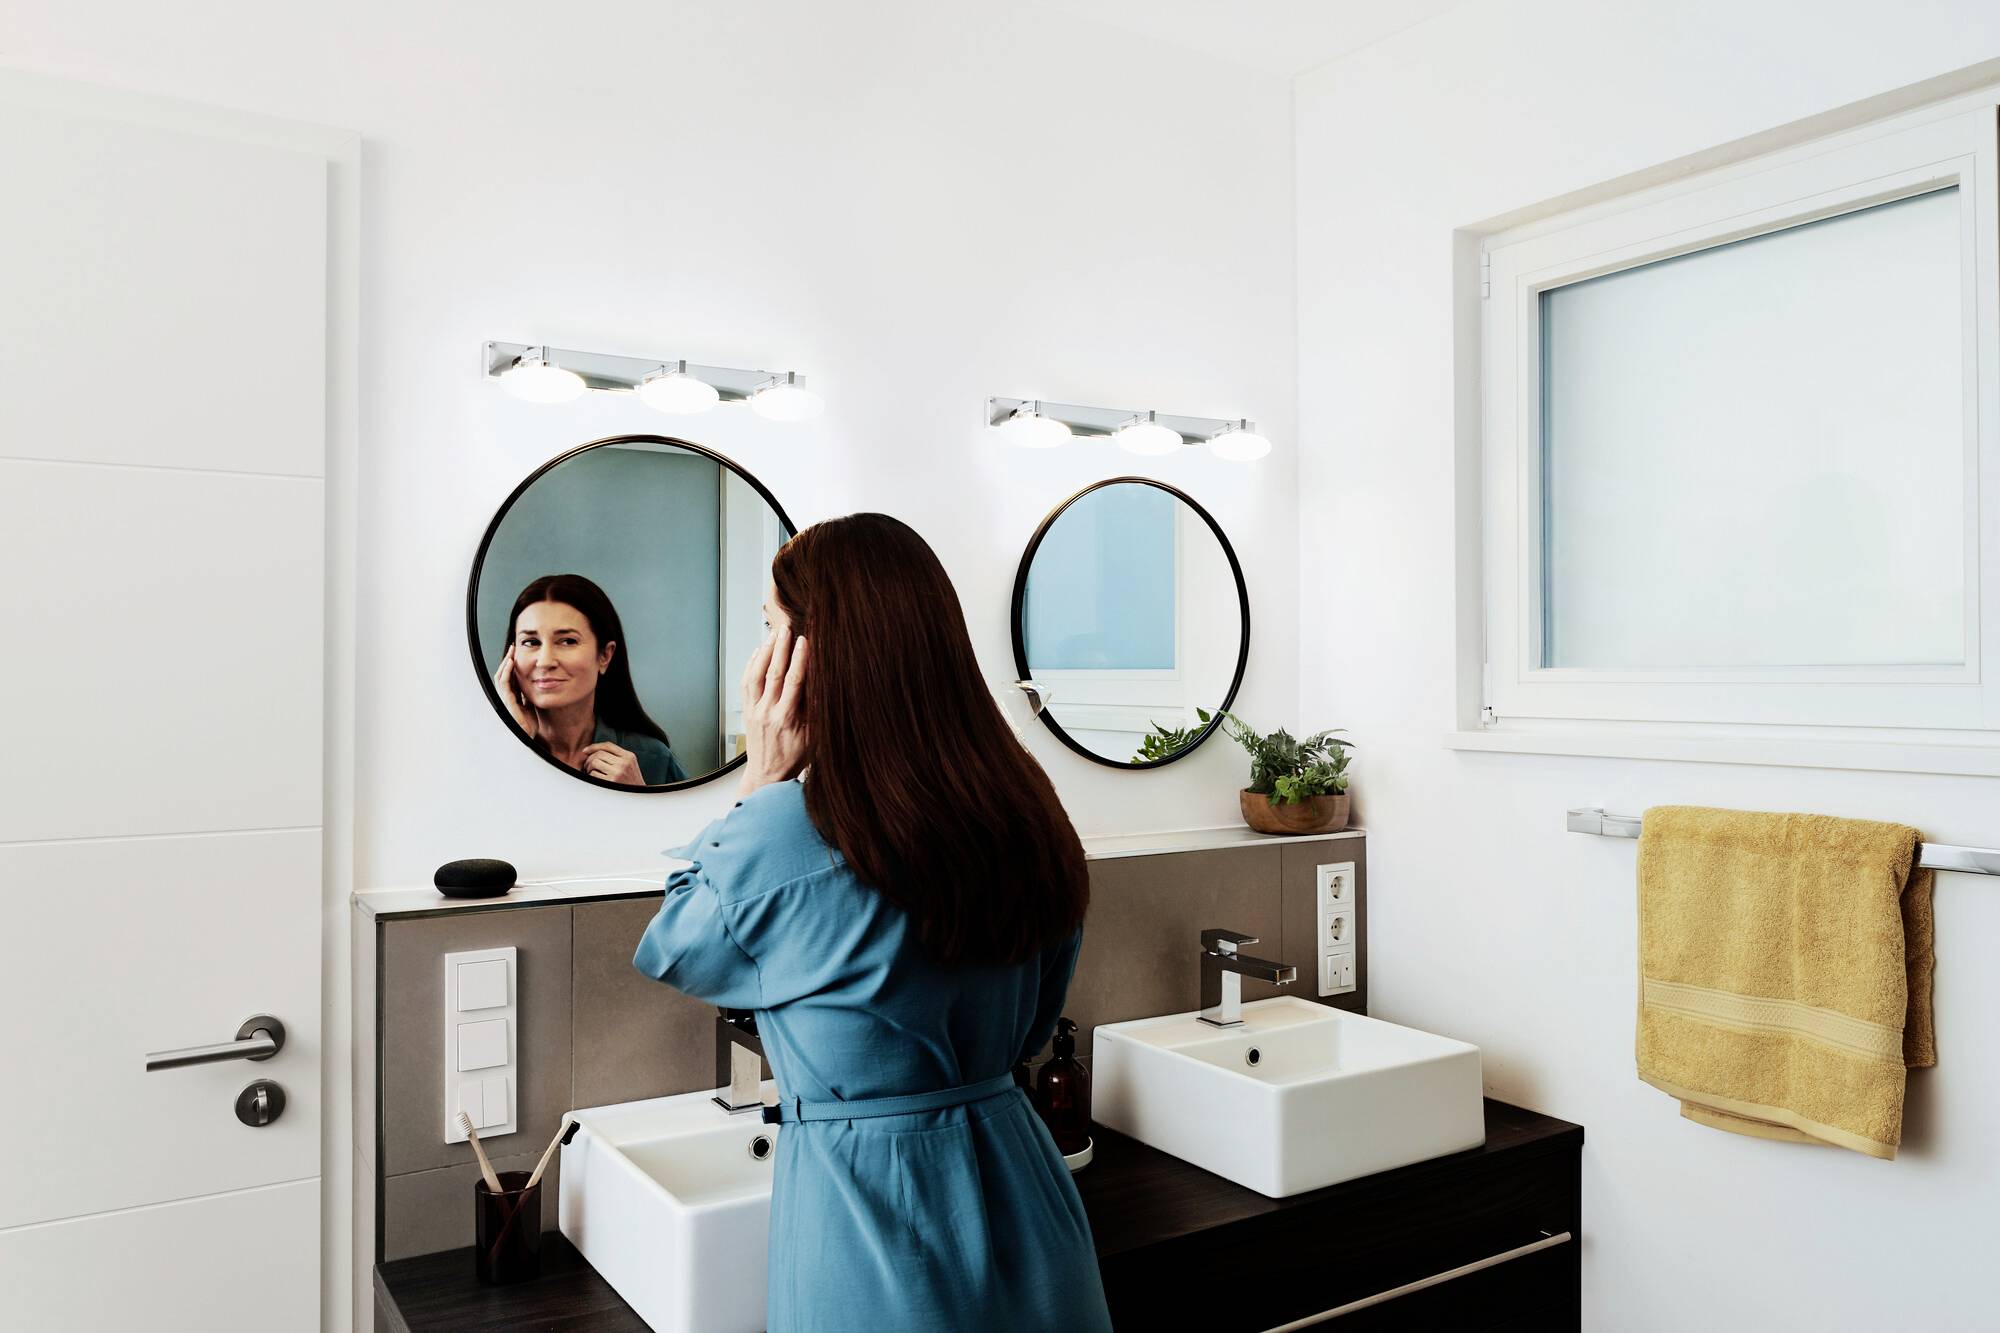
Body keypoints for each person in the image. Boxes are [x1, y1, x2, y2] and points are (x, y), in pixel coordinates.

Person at [632, 513, 1112, 1333]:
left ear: (814, 655)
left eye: (771, 631)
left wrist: (761, 776)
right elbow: (1036, 1020)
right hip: (1027, 1193)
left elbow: (677, 947)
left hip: (872, 1213)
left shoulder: (789, 827)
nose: (759, 661)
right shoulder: (1024, 804)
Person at [494, 573, 688, 785]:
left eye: (568, 641)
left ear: (605, 655)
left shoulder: (653, 758)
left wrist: (638, 796)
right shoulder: (486, 754)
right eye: (530, 642)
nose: (544, 661)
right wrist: (515, 743)